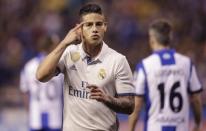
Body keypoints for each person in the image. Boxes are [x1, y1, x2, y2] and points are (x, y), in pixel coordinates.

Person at [36, 3, 134, 131]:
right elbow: (41, 76)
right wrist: (64, 43)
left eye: (99, 24)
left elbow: (130, 105)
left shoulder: (118, 61)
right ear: (80, 29)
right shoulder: (69, 53)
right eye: (88, 25)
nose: (94, 29)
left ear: (105, 27)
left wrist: (107, 99)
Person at [129, 20, 203, 131]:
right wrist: (197, 123)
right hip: (180, 128)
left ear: (152, 38)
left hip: (155, 127)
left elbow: (137, 105)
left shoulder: (144, 66)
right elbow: (196, 99)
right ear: (170, 38)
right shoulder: (187, 63)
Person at [20, 34, 63, 131]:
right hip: (55, 116)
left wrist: (29, 111)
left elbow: (24, 91)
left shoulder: (29, 66)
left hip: (36, 115)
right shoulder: (60, 65)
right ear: (51, 47)